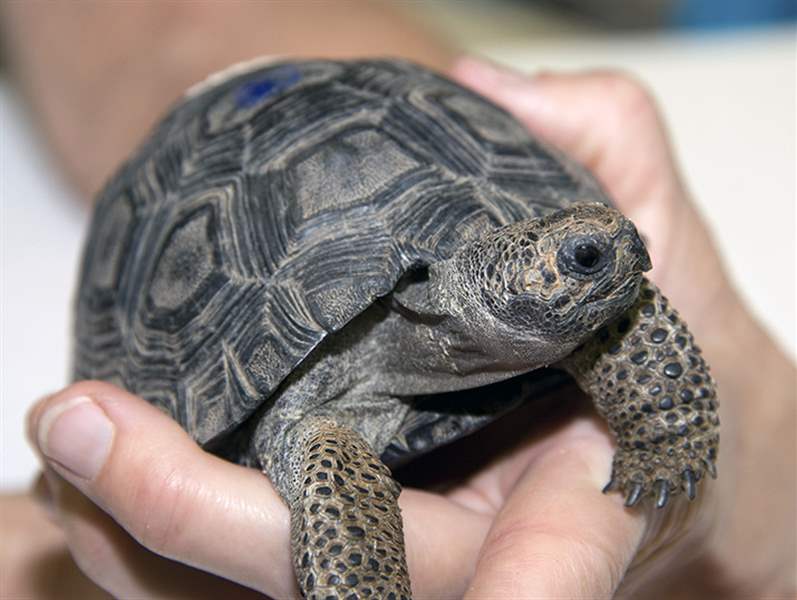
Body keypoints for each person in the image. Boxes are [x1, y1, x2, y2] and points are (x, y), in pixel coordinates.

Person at [1, 4, 794, 599]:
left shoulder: (583, 315)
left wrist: (701, 443)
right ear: (509, 278)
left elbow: (620, 313)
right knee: (329, 488)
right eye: (580, 259)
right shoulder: (325, 418)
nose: (617, 260)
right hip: (323, 400)